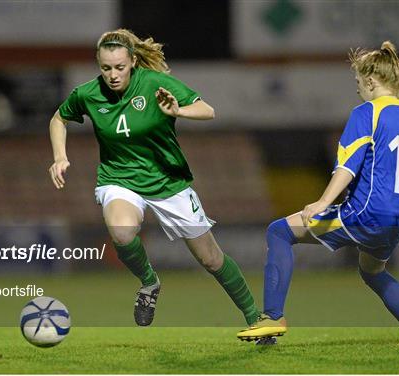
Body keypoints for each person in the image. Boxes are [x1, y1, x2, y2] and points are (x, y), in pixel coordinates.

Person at [237, 41, 399, 346]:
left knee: (279, 232)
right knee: (372, 271)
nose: (357, 90)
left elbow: (347, 167)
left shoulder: (367, 112)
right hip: (398, 220)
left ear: (370, 81)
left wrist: (323, 202)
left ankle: (272, 318)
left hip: (367, 213)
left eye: (358, 82)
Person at [48, 29, 259, 328]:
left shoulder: (155, 83)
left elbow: (207, 110)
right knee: (122, 233)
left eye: (119, 67)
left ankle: (255, 318)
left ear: (133, 61)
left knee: (210, 259)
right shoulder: (88, 94)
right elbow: (59, 119)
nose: (112, 74)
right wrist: (60, 156)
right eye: (106, 68)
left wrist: (179, 110)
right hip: (119, 179)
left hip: (167, 182)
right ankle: (149, 282)